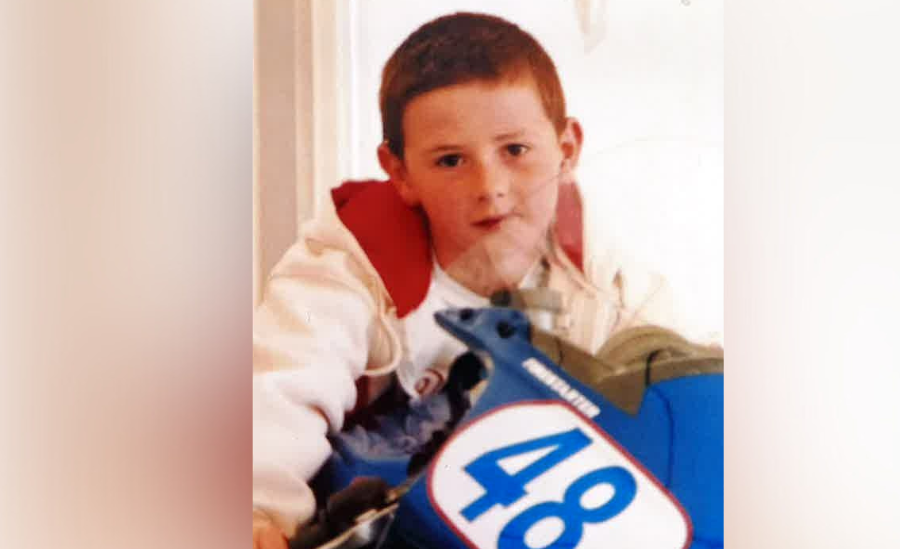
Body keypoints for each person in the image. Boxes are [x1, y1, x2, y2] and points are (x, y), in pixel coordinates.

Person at [252, 12, 678, 548]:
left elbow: (680, 409)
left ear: (566, 149)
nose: (491, 187)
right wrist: (258, 510)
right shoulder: (354, 264)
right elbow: (278, 387)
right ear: (401, 173)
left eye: (515, 151)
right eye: (451, 160)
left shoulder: (608, 282)